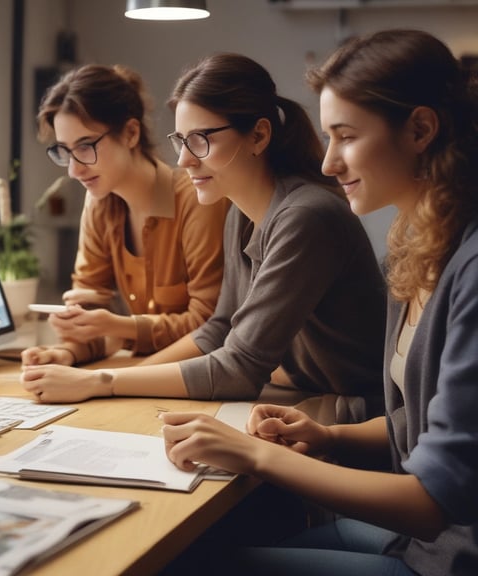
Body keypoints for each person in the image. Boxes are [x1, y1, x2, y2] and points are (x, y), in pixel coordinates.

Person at [160, 29, 478, 575]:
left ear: (421, 129)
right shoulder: (415, 246)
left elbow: (433, 503)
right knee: (208, 545)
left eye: (347, 136)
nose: (330, 162)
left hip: (448, 555)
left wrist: (256, 454)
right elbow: (420, 424)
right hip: (422, 543)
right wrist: (327, 436)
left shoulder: (468, 271)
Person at [22, 53, 386, 423]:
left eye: (199, 140)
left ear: (258, 135)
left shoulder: (306, 217)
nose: (183, 160)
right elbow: (218, 330)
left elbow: (239, 367)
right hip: (304, 395)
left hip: (356, 414)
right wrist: (102, 374)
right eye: (181, 140)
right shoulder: (240, 212)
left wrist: (101, 381)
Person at [21, 63, 230, 365]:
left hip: (199, 377)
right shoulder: (100, 204)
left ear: (131, 133)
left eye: (85, 146)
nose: (74, 169)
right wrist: (64, 352)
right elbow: (90, 310)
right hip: (143, 377)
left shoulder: (195, 200)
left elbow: (210, 326)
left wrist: (118, 326)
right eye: (64, 151)